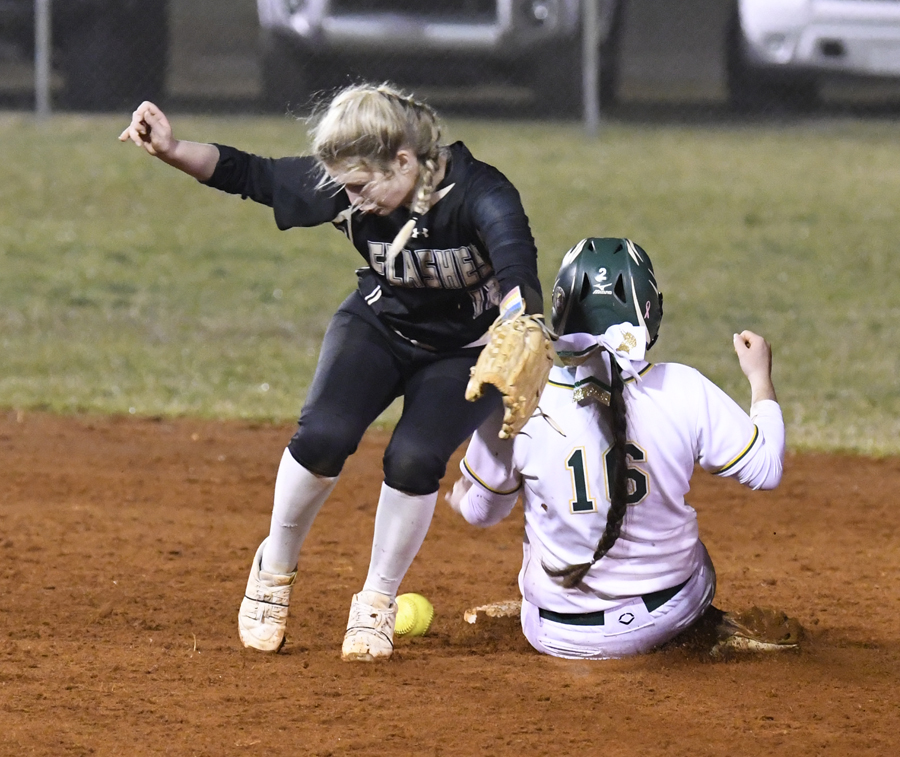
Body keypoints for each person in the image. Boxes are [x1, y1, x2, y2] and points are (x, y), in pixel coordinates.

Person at [119, 83, 542, 661]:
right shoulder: (353, 182)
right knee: (322, 438)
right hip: (376, 326)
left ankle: (377, 600)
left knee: (414, 459)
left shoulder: (479, 192)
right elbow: (252, 175)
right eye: (343, 184)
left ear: (404, 160)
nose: (351, 198)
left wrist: (521, 324)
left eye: (360, 185)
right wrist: (172, 150)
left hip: (462, 352)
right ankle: (273, 570)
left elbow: (516, 259)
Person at [447, 237, 786, 660]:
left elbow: (482, 512)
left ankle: (573, 601)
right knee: (695, 558)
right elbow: (767, 468)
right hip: (666, 616)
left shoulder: (518, 397)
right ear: (648, 311)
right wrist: (759, 378)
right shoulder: (683, 387)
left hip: (554, 633)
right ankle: (701, 633)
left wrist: (461, 495)